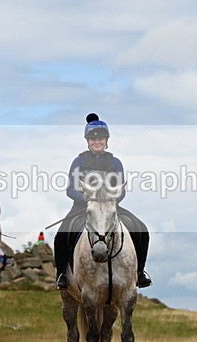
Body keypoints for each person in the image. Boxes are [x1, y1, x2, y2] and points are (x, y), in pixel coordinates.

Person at [53, 113, 152, 290]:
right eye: (93, 139)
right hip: (83, 207)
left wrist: (110, 201)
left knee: (141, 229)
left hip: (110, 207)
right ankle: (61, 274)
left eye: (100, 139)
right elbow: (71, 189)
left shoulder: (115, 162)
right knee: (61, 234)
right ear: (88, 141)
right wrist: (87, 199)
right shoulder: (79, 161)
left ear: (107, 141)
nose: (97, 142)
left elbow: (121, 190)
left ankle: (139, 273)